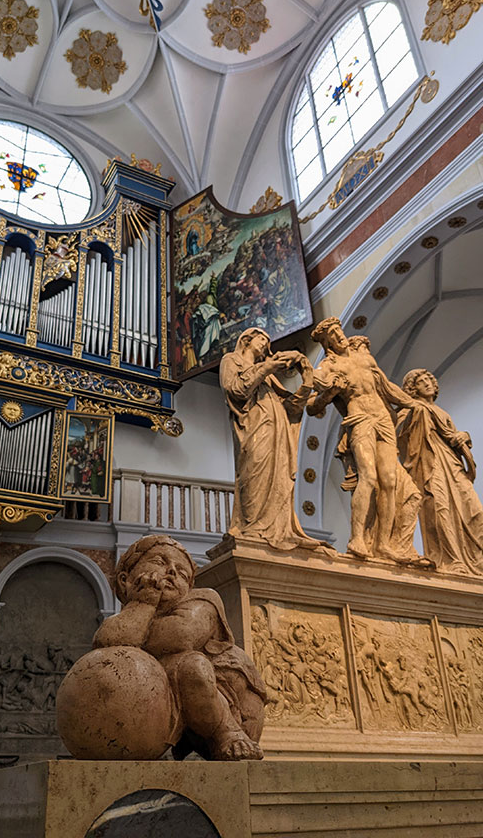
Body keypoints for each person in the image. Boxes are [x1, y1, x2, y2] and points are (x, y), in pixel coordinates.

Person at [93, 534, 266, 761]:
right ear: (126, 580)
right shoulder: (136, 611)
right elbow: (106, 641)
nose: (172, 572)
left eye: (183, 573)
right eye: (159, 562)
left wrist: (140, 618)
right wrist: (142, 605)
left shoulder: (204, 600)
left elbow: (180, 636)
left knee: (192, 666)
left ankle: (227, 733)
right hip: (174, 708)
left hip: (234, 706)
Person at [308, 318, 418, 562]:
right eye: (332, 336)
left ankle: (384, 544)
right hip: (359, 419)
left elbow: (386, 388)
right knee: (368, 477)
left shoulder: (365, 358)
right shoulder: (329, 365)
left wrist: (412, 403)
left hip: (382, 419)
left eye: (339, 332)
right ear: (327, 344)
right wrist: (330, 389)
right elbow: (314, 392)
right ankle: (357, 538)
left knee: (389, 482)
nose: (339, 337)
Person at [219, 327, 332, 553]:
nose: (265, 344)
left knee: (279, 477)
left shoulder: (269, 377)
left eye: (267, 341)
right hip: (253, 429)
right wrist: (267, 367)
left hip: (277, 432)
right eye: (262, 338)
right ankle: (253, 528)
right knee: (254, 473)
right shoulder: (231, 360)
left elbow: (290, 407)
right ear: (247, 339)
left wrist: (307, 381)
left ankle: (280, 529)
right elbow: (236, 389)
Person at [397, 368, 483, 575]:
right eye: (420, 382)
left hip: (452, 465)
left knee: (474, 510)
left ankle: (477, 561)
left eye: (429, 379)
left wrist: (464, 435)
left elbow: (453, 436)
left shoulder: (442, 412)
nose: (426, 383)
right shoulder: (409, 410)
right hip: (429, 465)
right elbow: (399, 435)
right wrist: (414, 414)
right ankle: (451, 560)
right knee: (440, 509)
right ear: (412, 389)